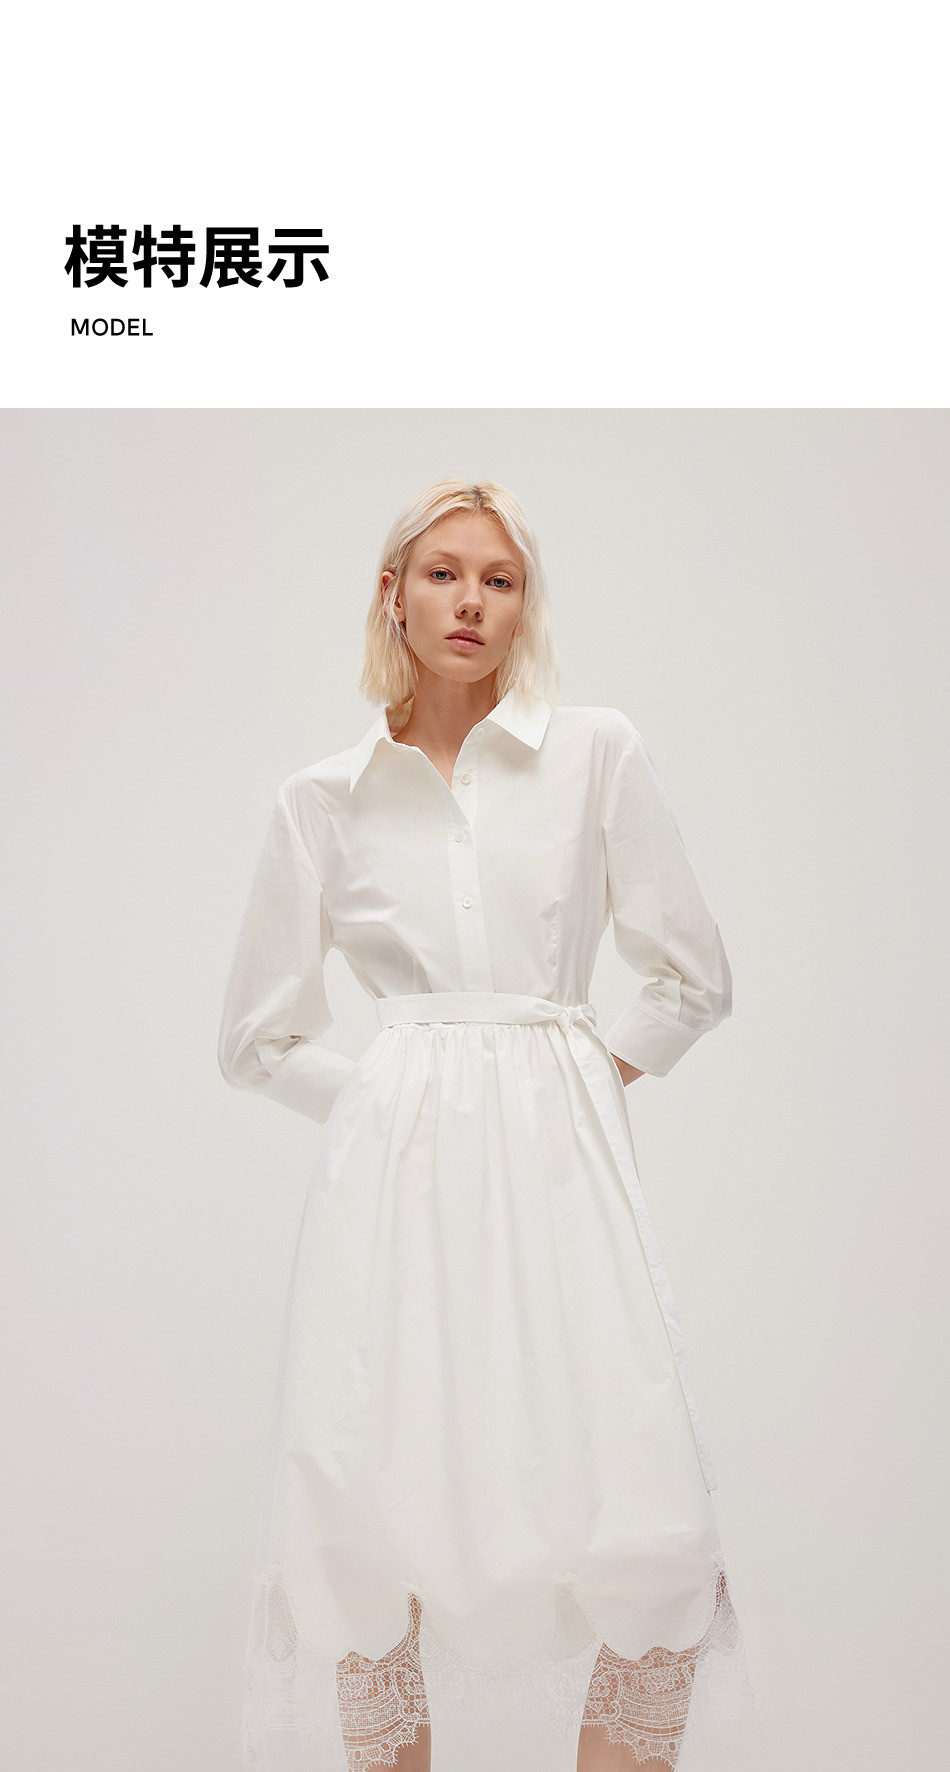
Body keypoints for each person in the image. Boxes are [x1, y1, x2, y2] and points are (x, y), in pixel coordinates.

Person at [218, 480, 755, 1772]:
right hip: (390, 1191)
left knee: (645, 1524)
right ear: (391, 596)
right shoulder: (322, 798)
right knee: (374, 1509)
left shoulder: (595, 752)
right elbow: (255, 1037)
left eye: (498, 580)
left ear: (524, 606)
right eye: (443, 573)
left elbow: (691, 975)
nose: (469, 601)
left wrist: (578, 1077)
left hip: (565, 1171)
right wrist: (386, 1100)